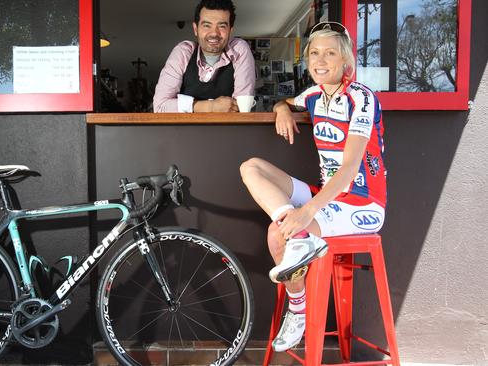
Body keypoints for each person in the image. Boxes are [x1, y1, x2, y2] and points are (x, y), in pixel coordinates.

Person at [240, 22, 387, 352]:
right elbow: (288, 101)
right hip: (328, 195)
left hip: (362, 204)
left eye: (330, 53)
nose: (320, 60)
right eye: (314, 53)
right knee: (251, 168)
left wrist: (308, 211)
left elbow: (349, 169)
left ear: (345, 60)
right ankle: (302, 239)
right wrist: (280, 109)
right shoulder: (313, 95)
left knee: (277, 235)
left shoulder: (362, 98)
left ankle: (298, 310)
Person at [152, 0, 255, 113]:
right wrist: (210, 107)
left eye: (222, 26)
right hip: (183, 131)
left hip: (227, 131)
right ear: (196, 29)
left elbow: (242, 110)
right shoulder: (183, 52)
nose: (214, 33)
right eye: (207, 25)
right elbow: (160, 106)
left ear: (230, 30)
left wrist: (186, 106)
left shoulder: (238, 50)